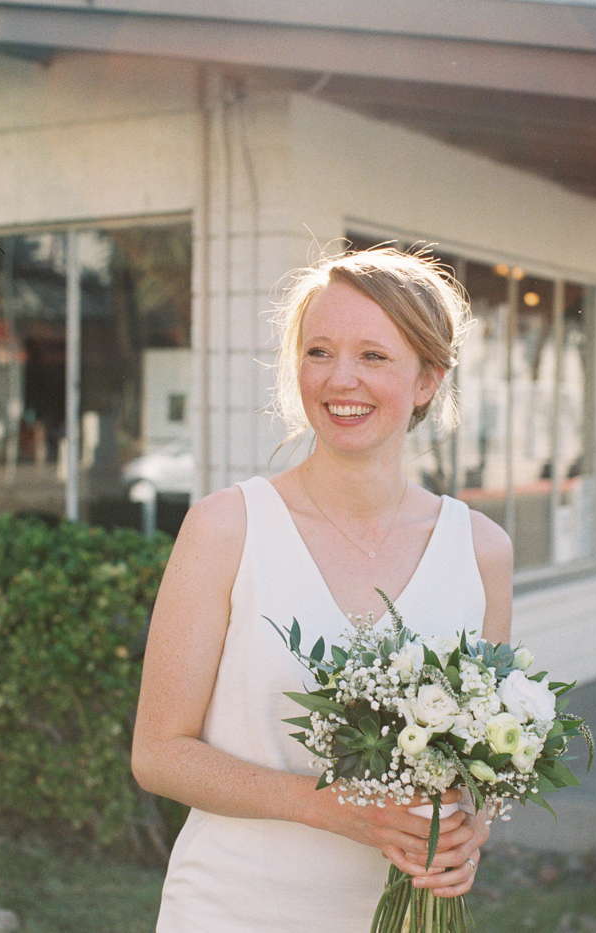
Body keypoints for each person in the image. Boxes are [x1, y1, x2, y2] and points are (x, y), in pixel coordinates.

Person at [131, 247, 514, 933]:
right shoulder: (226, 527)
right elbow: (158, 753)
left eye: (374, 355)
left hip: (399, 915)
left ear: (428, 378)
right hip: (231, 909)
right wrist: (330, 803)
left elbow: (481, 759)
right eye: (318, 351)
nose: (341, 379)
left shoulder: (481, 549)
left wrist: (467, 833)